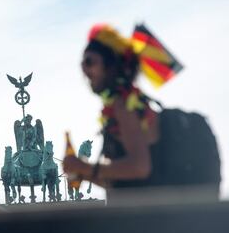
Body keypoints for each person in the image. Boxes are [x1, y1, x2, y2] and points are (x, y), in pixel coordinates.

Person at [63, 24, 221, 203]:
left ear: (110, 65)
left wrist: (84, 167)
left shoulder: (124, 106)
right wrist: (85, 175)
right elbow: (123, 181)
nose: (84, 70)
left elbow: (139, 167)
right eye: (82, 64)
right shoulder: (125, 105)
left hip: (149, 222)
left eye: (89, 62)